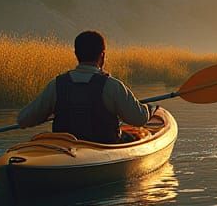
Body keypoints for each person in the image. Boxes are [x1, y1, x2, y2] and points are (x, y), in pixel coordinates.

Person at [17, 30, 154, 142]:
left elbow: (23, 120)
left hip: (64, 151)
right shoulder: (112, 86)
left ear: (76, 54)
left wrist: (46, 113)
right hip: (102, 149)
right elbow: (139, 119)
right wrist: (148, 109)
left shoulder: (57, 85)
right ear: (102, 56)